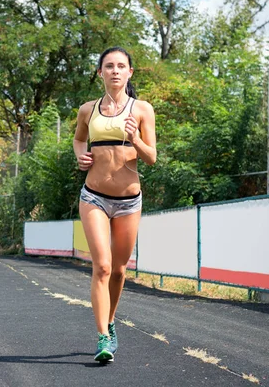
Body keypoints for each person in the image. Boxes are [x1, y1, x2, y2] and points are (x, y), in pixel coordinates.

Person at [73, 47, 157, 363]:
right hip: (93, 196)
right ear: (100, 73)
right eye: (109, 66)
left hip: (128, 202)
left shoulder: (143, 110)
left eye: (121, 66)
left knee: (119, 271)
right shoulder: (87, 110)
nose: (115, 71)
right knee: (103, 267)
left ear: (130, 72)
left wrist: (135, 140)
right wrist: (79, 154)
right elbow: (79, 138)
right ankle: (102, 338)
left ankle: (110, 320)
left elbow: (152, 157)